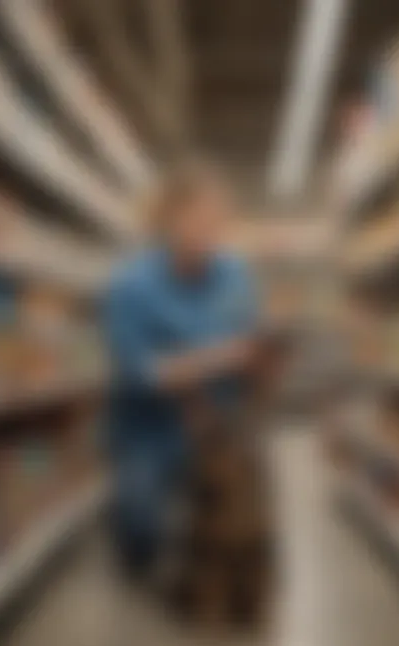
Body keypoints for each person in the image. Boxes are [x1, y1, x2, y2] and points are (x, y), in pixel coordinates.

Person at [104, 159, 260, 579]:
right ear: (171, 218)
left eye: (218, 220)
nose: (211, 231)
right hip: (150, 428)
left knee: (229, 520)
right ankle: (141, 537)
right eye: (201, 218)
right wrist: (217, 358)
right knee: (141, 536)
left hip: (218, 423)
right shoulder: (131, 286)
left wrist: (259, 364)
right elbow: (139, 374)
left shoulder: (234, 275)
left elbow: (248, 343)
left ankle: (197, 546)